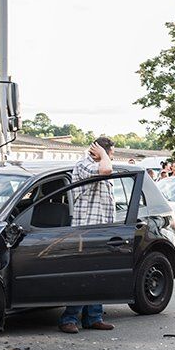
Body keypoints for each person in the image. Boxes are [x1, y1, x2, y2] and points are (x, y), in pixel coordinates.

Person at [59, 137, 116, 334]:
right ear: (100, 151)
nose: (112, 157)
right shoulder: (84, 165)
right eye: (112, 152)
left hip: (101, 231)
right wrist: (102, 154)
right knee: (82, 277)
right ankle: (69, 318)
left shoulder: (100, 163)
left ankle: (94, 317)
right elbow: (106, 170)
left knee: (98, 276)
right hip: (85, 231)